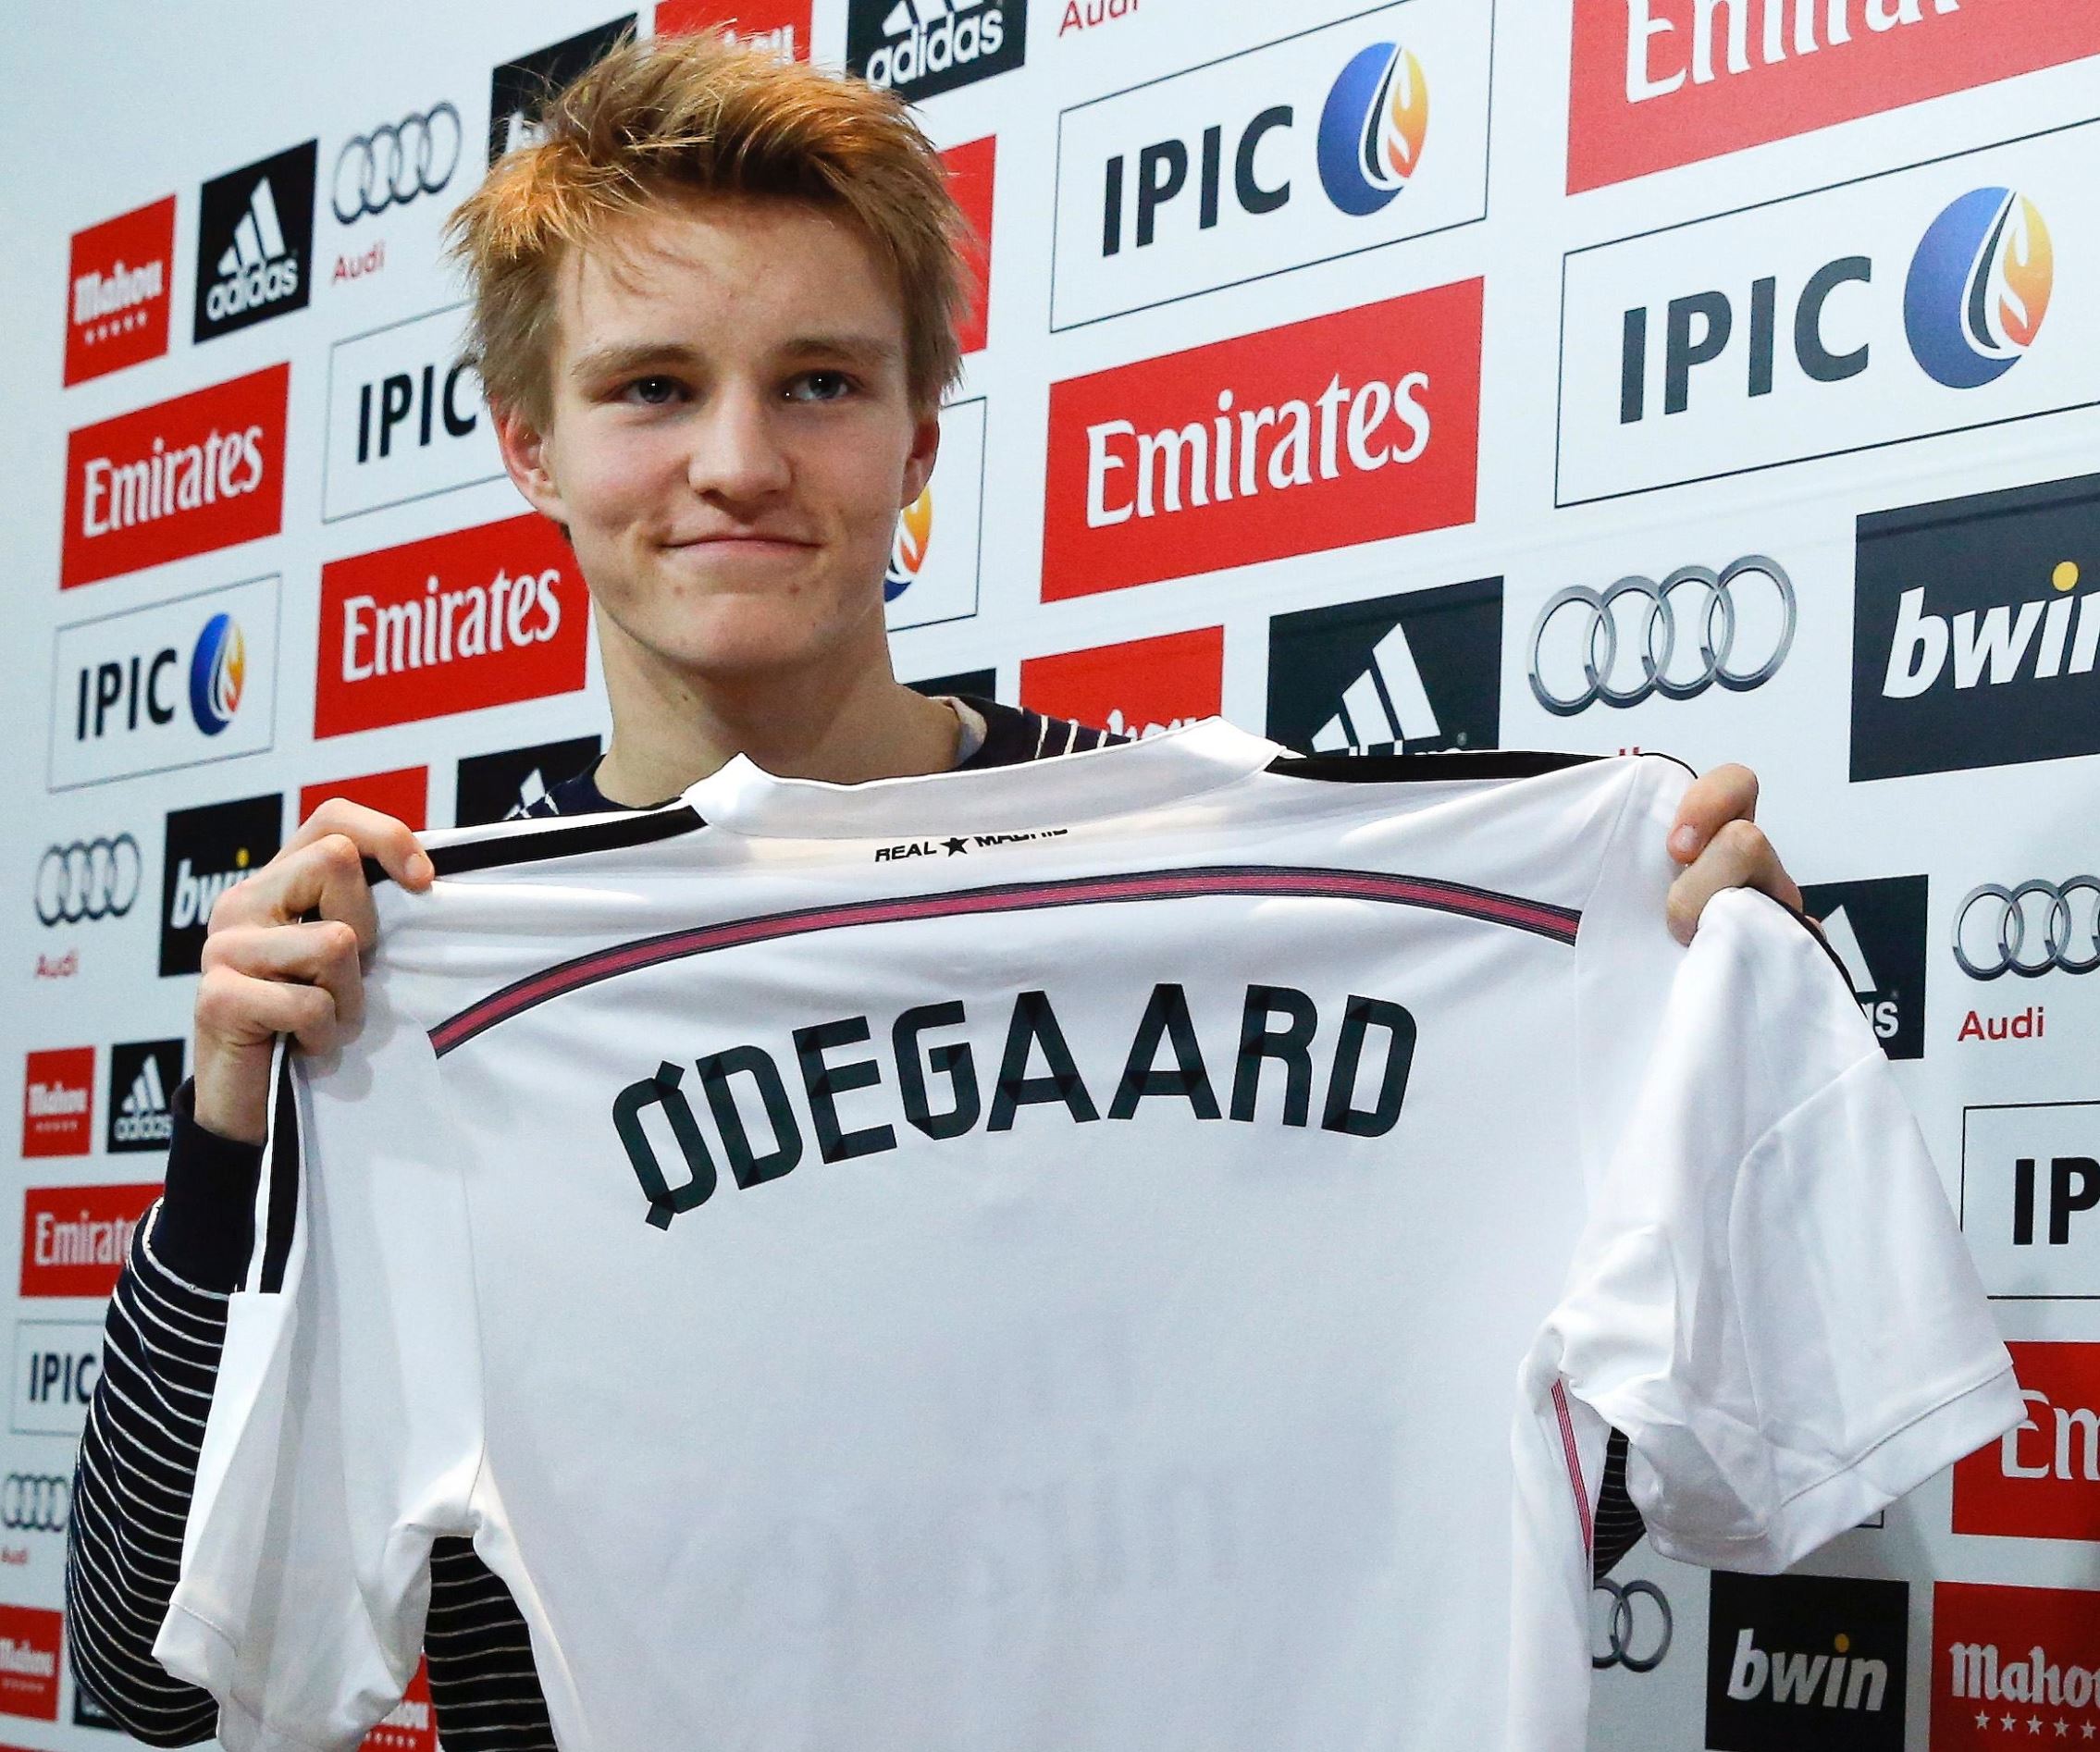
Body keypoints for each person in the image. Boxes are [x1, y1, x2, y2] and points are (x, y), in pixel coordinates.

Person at [67, 31, 1806, 1748]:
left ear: (917, 436)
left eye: (820, 382)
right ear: (530, 445)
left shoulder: (1230, 885)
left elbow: (1546, 1496)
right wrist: (234, 1149)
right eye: (651, 387)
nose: (739, 462)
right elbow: (155, 1667)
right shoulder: (427, 982)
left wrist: (1707, 1045)